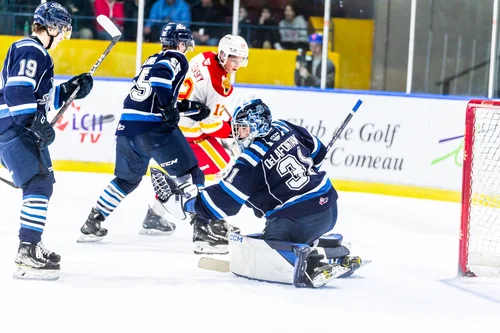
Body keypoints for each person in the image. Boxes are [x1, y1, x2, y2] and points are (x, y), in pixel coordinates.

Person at [151, 99, 363, 287]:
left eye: (242, 128)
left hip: (302, 218)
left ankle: (313, 261)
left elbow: (226, 199)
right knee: (283, 227)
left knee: (270, 244)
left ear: (257, 125)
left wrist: (189, 205)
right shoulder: (284, 126)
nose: (238, 134)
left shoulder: (251, 159)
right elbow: (318, 151)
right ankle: (336, 250)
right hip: (329, 206)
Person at [77, 22, 210, 243]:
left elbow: (153, 96)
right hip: (153, 129)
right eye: (185, 43)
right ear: (179, 43)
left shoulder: (150, 60)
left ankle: (93, 221)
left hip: (127, 128)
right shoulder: (176, 58)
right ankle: (204, 227)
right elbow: (160, 80)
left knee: (126, 181)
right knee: (193, 173)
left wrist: (188, 108)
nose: (187, 48)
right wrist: (168, 109)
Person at [0, 2, 93, 280]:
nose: (64, 35)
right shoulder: (32, 49)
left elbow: (39, 97)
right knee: (38, 182)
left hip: (18, 125)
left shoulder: (36, 52)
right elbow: (18, 92)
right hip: (14, 126)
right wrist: (34, 122)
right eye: (62, 29)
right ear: (50, 26)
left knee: (42, 183)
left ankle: (31, 244)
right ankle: (26, 250)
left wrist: (70, 89)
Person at [139, 34, 249, 255]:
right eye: (233, 60)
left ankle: (155, 214)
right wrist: (234, 131)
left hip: (172, 125)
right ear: (224, 54)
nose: (236, 66)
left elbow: (205, 104)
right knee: (226, 166)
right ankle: (213, 220)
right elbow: (210, 127)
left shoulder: (205, 57)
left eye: (240, 61)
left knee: (194, 172)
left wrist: (223, 123)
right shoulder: (221, 85)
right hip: (189, 133)